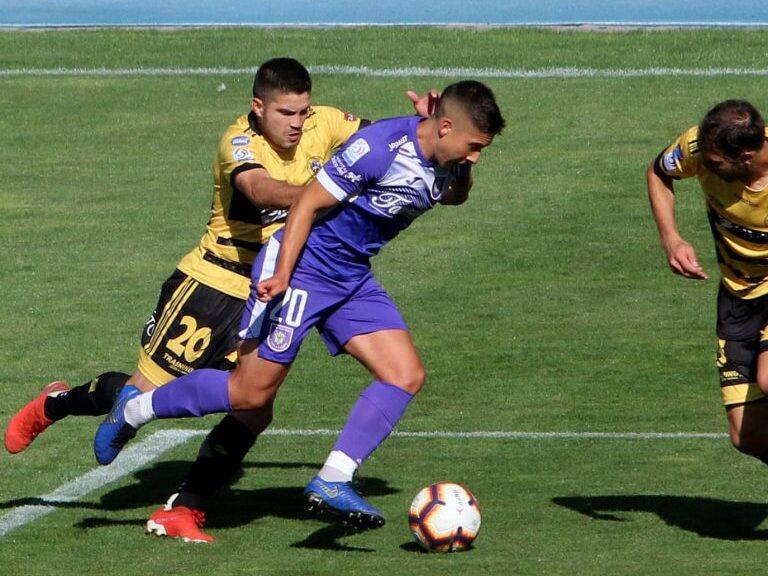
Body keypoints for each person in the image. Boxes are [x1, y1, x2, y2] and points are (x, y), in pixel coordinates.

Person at [5, 57, 435, 543]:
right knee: (143, 390)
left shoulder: (327, 121)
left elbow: (382, 143)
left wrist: (423, 124)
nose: (297, 123)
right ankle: (57, 403)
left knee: (254, 407)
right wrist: (324, 190)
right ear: (259, 107)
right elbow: (259, 188)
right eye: (285, 113)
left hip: (283, 280)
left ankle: (184, 508)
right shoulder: (238, 141)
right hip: (216, 283)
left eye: (302, 112)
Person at [94, 80, 505, 534]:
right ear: (445, 127)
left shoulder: (446, 161)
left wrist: (462, 168)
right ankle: (134, 410)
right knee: (250, 395)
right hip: (304, 269)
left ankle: (333, 479)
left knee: (404, 375)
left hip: (350, 277)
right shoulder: (379, 148)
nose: (476, 156)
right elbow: (306, 203)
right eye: (473, 146)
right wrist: (284, 274)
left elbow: (454, 196)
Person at [647, 99, 768, 470]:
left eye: (714, 164)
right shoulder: (699, 146)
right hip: (737, 298)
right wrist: (671, 239)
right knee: (747, 435)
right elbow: (658, 173)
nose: (704, 166)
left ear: (745, 157)